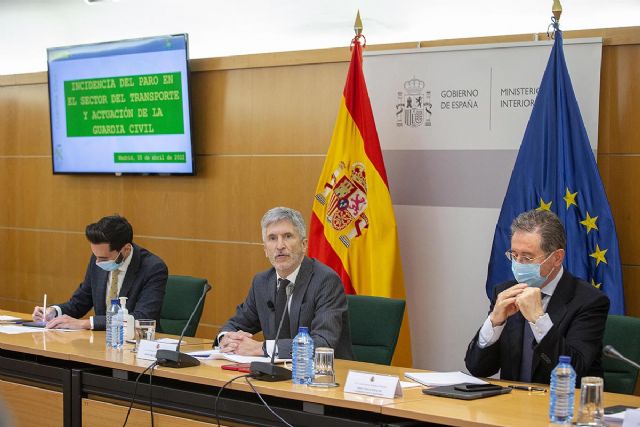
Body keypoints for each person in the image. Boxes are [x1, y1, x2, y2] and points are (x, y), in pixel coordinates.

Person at [465, 209, 610, 384]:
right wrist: (495, 322)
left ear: (557, 258)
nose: (518, 264)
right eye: (514, 255)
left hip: (561, 403)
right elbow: (478, 368)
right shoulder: (506, 292)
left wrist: (538, 319)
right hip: (511, 404)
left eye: (527, 257)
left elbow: (575, 372)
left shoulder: (588, 301)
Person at [218, 207, 354, 359]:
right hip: (274, 376)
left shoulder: (326, 281)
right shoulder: (262, 282)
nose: (280, 246)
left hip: (322, 374)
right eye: (272, 238)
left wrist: (261, 348)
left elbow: (323, 343)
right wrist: (226, 339)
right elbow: (237, 323)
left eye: (288, 236)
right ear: (265, 249)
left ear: (304, 245)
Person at [32, 215, 168, 330]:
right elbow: (80, 302)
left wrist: (87, 323)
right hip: (102, 342)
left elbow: (142, 317)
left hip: (137, 344)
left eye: (103, 258)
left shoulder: (153, 268)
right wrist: (53, 311)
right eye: (95, 255)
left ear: (126, 249)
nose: (97, 262)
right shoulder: (98, 258)